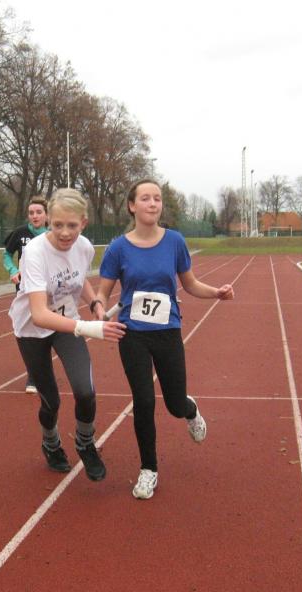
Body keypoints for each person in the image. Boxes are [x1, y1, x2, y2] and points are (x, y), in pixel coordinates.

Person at [96, 179, 235, 500]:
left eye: (157, 198)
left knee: (174, 404)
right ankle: (149, 469)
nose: (152, 203)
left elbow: (190, 284)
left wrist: (216, 293)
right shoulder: (118, 248)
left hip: (167, 331)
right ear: (132, 206)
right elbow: (103, 292)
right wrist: (100, 308)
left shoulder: (174, 241)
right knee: (144, 401)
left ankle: (190, 409)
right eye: (145, 198)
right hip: (132, 334)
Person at [8, 188, 126, 481]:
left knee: (85, 391)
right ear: (48, 220)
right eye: (58, 224)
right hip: (32, 329)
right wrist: (87, 327)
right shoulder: (35, 252)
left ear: (83, 222)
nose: (64, 233)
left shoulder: (84, 247)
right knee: (51, 401)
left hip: (67, 323)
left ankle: (85, 442)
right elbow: (39, 313)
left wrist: (95, 303)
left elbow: (79, 278)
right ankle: (51, 443)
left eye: (72, 225)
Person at [2, 196, 48, 394]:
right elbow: (6, 254)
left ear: (47, 215)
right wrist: (12, 270)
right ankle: (33, 373)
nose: (34, 216)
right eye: (31, 213)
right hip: (25, 289)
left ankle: (41, 369)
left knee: (46, 329)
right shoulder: (21, 233)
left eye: (39, 212)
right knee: (28, 331)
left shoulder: (53, 234)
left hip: (48, 289)